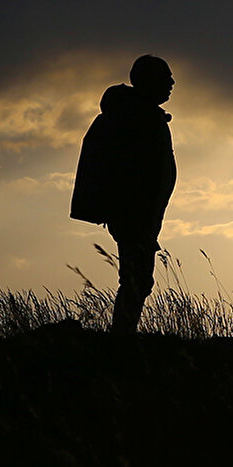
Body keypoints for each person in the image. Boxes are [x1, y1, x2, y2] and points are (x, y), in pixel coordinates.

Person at [71, 55, 176, 334]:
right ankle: (121, 337)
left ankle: (123, 335)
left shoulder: (141, 116)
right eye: (165, 77)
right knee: (137, 279)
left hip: (139, 215)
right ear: (148, 81)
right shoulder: (136, 119)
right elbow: (133, 173)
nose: (172, 83)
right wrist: (137, 213)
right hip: (134, 215)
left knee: (137, 278)